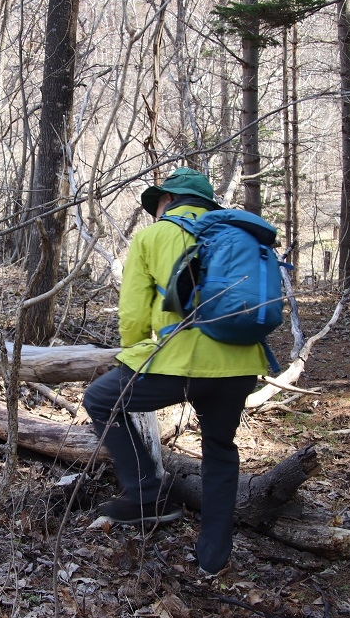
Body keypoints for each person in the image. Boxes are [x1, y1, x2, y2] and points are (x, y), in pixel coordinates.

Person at [82, 168, 268, 575]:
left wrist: (133, 357)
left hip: (180, 363)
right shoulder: (238, 234)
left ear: (168, 200)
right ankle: (213, 560)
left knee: (100, 399)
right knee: (220, 449)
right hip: (241, 367)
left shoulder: (152, 236)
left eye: (158, 203)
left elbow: (133, 316)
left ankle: (146, 496)